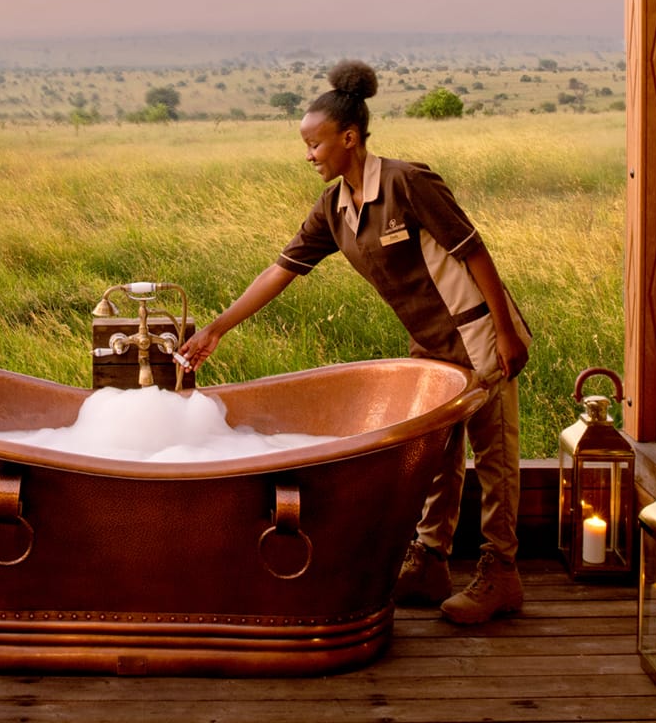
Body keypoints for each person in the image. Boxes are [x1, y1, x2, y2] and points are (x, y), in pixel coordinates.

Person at [178, 59, 530, 624]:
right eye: (306, 145)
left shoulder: (407, 182)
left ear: (349, 138)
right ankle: (432, 561)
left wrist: (507, 331)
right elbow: (280, 271)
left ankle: (502, 574)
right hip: (429, 345)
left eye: (315, 143)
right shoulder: (333, 209)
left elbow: (473, 250)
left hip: (479, 333)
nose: (309, 155)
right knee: (439, 456)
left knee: (495, 457)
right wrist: (218, 327)